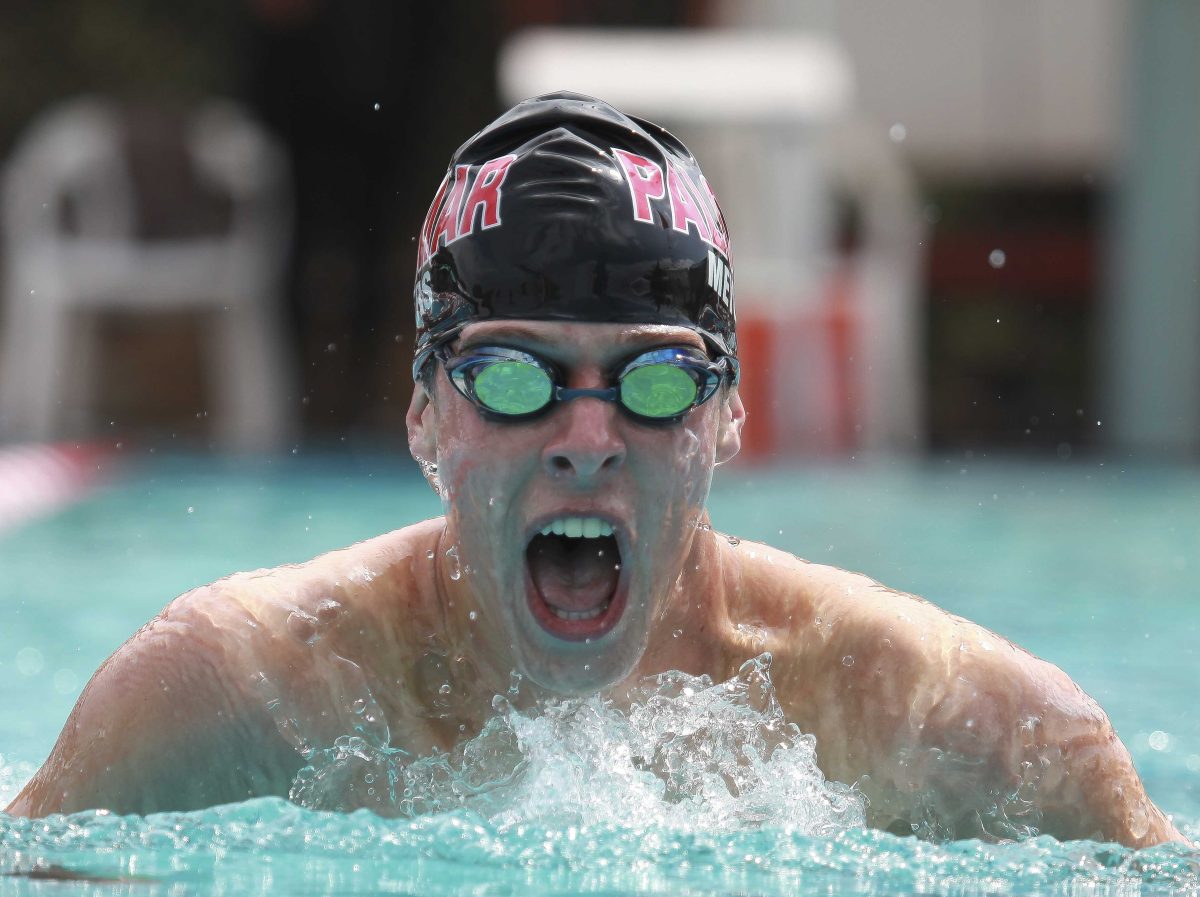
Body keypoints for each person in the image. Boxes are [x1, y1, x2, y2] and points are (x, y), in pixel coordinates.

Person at [8, 94, 1184, 848]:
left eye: (656, 379)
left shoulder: (920, 710)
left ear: (727, 419)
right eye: (515, 376)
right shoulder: (241, 690)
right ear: (425, 421)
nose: (586, 435)